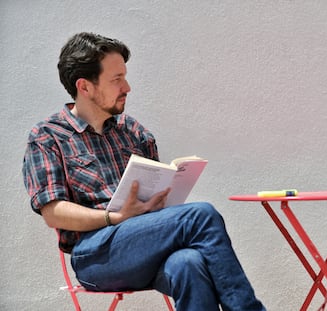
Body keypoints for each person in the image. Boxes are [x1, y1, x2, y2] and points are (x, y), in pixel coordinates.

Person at [22, 32, 266, 311]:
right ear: (84, 86)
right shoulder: (48, 137)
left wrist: (161, 201)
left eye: (124, 77)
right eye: (116, 80)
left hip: (145, 245)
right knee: (201, 214)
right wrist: (114, 217)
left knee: (188, 263)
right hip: (94, 255)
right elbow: (53, 212)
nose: (127, 87)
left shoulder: (135, 133)